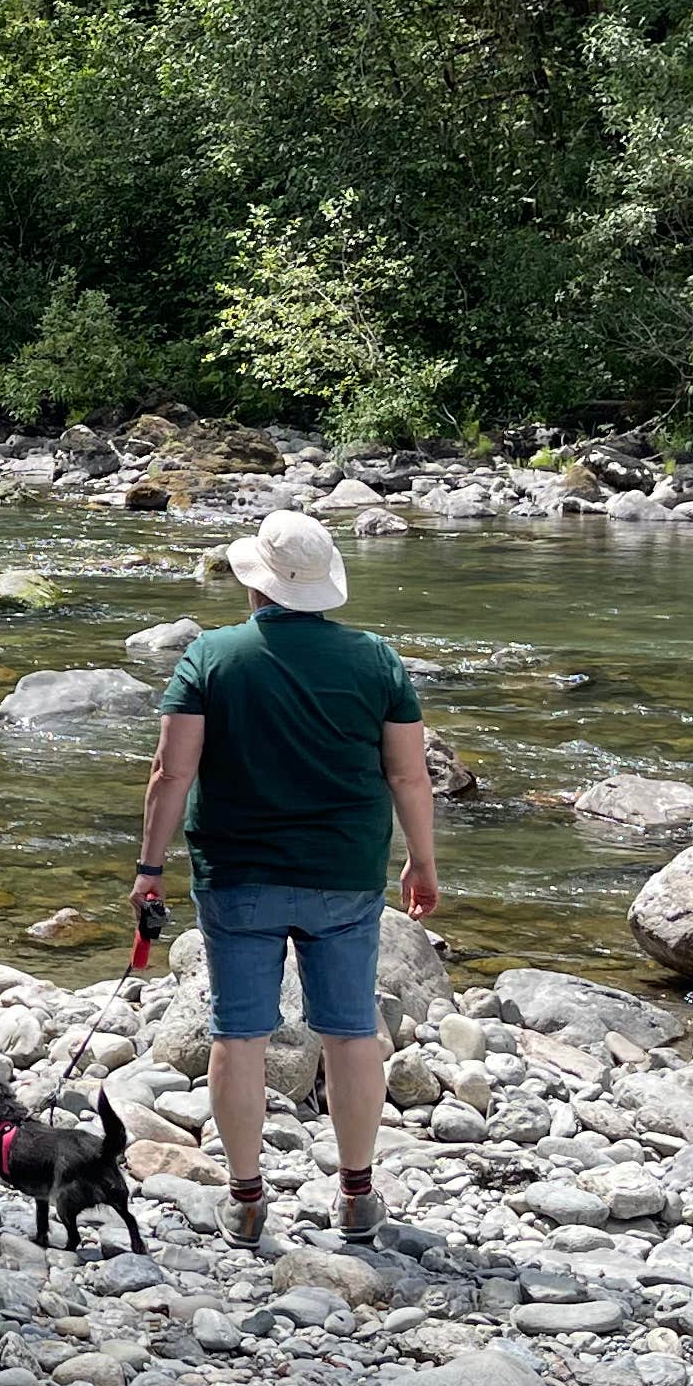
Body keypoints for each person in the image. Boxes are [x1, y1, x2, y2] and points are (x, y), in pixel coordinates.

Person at [128, 507, 439, 1249]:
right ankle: (358, 1195)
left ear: (255, 585)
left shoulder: (211, 657)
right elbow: (408, 774)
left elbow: (172, 772)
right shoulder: (376, 660)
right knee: (351, 1030)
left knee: (240, 1033)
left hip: (238, 875)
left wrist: (148, 869)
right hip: (343, 873)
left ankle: (246, 1201)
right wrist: (422, 860)